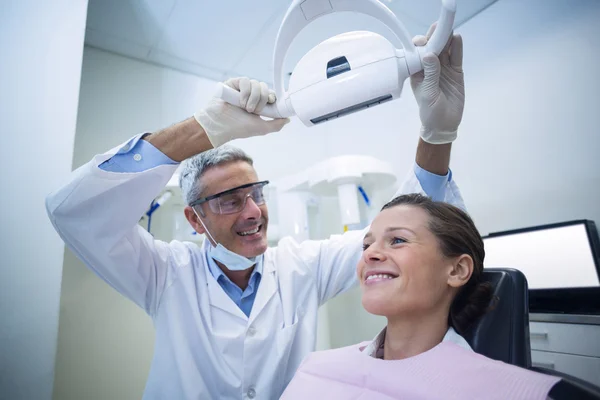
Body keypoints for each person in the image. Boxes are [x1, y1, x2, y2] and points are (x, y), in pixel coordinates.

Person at [46, 26, 466, 399]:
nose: (252, 213)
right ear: (195, 219)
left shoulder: (303, 267)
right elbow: (74, 211)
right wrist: (204, 127)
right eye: (229, 200)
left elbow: (405, 227)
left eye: (256, 194)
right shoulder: (163, 273)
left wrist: (438, 133)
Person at [280, 193, 561, 400]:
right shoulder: (317, 366)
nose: (369, 253)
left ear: (457, 270)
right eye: (367, 244)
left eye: (398, 240)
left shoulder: (506, 391)